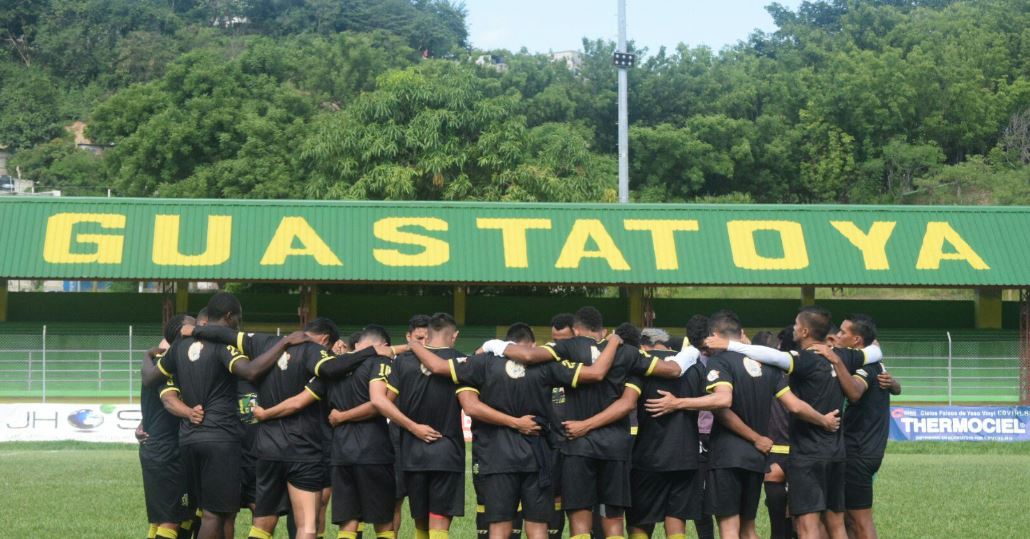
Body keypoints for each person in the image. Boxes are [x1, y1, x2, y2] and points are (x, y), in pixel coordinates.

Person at [487, 307, 688, 539]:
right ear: (601, 329)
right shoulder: (628, 352)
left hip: (577, 443)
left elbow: (529, 356)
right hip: (615, 446)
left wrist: (495, 345)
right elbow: (673, 371)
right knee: (613, 523)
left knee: (580, 524)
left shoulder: (568, 347)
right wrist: (690, 352)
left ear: (575, 329)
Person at [411, 323, 625, 539]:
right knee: (537, 525)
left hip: (497, 456)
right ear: (533, 345)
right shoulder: (548, 364)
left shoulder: (482, 362)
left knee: (500, 525)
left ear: (505, 343)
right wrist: (614, 341)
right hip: (537, 455)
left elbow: (438, 368)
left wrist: (412, 343)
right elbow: (595, 373)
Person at [706, 307, 883, 539]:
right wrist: (838, 359)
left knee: (808, 526)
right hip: (837, 454)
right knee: (837, 524)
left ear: (805, 331)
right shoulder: (844, 356)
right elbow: (876, 351)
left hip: (808, 455)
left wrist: (730, 345)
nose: (794, 329)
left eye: (796, 325)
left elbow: (773, 356)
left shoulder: (805, 359)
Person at [153, 292, 305, 539]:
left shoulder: (187, 351)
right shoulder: (223, 348)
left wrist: (148, 357)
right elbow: (250, 372)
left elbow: (156, 383)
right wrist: (285, 342)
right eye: (237, 318)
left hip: (235, 442)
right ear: (226, 318)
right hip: (224, 442)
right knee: (216, 513)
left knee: (225, 512)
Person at [685, 312, 842, 539]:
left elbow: (722, 405)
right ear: (742, 334)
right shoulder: (768, 366)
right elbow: (795, 405)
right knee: (749, 529)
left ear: (715, 336)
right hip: (756, 457)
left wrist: (678, 403)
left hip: (728, 456)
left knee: (729, 528)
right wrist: (823, 419)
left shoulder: (720, 362)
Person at [372, 313, 466, 539]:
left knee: (421, 524)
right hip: (447, 452)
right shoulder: (462, 361)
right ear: (454, 336)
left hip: (413, 454)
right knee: (439, 526)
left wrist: (413, 427)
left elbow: (382, 402)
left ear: (429, 334)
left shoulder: (404, 362)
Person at [624, 326, 707, 539]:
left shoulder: (641, 364)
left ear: (643, 345)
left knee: (641, 521)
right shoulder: (695, 366)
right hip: (686, 456)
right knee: (677, 520)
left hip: (648, 456)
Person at [834, 314, 901, 539]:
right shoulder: (876, 363)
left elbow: (854, 392)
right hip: (866, 450)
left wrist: (835, 362)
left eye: (843, 332)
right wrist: (894, 385)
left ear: (857, 340)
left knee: (860, 520)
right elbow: (894, 387)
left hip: (859, 451)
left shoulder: (865, 366)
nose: (837, 335)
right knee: (847, 518)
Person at [139, 314, 198, 539]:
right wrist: (193, 414)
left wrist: (143, 423)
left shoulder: (161, 361)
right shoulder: (166, 362)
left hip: (161, 448)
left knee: (172, 517)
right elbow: (168, 401)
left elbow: (154, 405)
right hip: (166, 452)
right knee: (171, 521)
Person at [752, 330, 795, 539]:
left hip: (772, 452)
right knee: (805, 524)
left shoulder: (758, 374)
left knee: (778, 525)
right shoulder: (806, 373)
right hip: (803, 452)